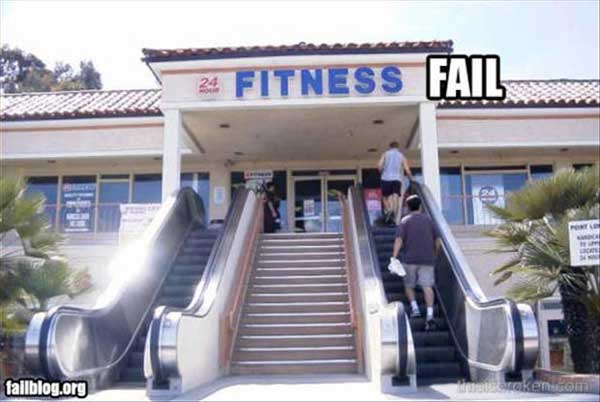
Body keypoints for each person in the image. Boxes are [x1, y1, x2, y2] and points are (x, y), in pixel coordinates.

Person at [391, 195, 441, 331]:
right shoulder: (429, 220)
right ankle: (430, 315)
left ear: (407, 207)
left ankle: (415, 308)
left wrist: (394, 257)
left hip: (409, 259)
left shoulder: (405, 221)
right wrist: (435, 254)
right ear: (420, 206)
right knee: (427, 286)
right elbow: (438, 240)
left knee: (409, 285)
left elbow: (399, 240)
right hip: (427, 259)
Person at [377, 141, 413, 225]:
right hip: (397, 179)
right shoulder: (401, 156)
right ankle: (394, 217)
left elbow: (379, 166)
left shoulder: (385, 154)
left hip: (385, 178)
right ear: (397, 147)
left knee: (384, 197)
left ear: (390, 147)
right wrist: (411, 179)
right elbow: (407, 170)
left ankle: (389, 209)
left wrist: (381, 172)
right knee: (395, 197)